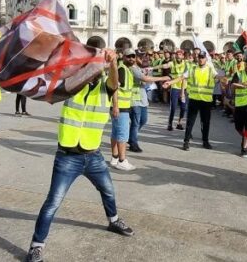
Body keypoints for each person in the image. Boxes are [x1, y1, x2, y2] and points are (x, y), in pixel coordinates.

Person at [23, 46, 133, 262]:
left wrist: (112, 62)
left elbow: (114, 82)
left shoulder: (106, 88)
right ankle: (36, 246)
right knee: (53, 203)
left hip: (93, 155)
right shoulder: (72, 86)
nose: (96, 69)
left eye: (99, 66)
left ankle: (113, 220)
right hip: (67, 157)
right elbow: (58, 74)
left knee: (108, 191)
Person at [168, 52, 220, 151]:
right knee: (190, 122)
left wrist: (224, 79)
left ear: (206, 59)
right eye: (199, 57)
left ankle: (205, 141)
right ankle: (186, 142)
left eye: (203, 57)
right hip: (194, 100)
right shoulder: (192, 68)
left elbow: (217, 77)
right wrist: (170, 82)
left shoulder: (210, 69)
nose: (201, 59)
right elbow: (181, 77)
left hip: (206, 100)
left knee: (205, 122)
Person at [129, 54, 169, 153]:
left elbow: (146, 81)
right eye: (141, 58)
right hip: (134, 100)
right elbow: (145, 79)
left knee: (143, 120)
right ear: (136, 59)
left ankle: (130, 137)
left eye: (145, 58)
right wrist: (162, 78)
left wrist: (148, 75)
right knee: (135, 123)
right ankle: (133, 143)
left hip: (143, 99)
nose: (144, 60)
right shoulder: (132, 68)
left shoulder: (140, 69)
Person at [111, 49, 139, 171]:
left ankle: (115, 157)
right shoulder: (122, 69)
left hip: (121, 106)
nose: (131, 59)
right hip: (120, 107)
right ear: (124, 57)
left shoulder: (125, 69)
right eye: (129, 56)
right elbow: (115, 87)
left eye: (133, 56)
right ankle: (122, 161)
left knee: (116, 132)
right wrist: (116, 105)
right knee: (122, 134)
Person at [167, 50, 188, 131]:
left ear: (183, 56)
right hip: (175, 88)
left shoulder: (186, 63)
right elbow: (165, 66)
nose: (178, 55)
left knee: (183, 108)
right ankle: (170, 124)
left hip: (184, 88)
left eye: (180, 54)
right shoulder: (172, 63)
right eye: (177, 54)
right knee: (173, 107)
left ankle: (179, 123)